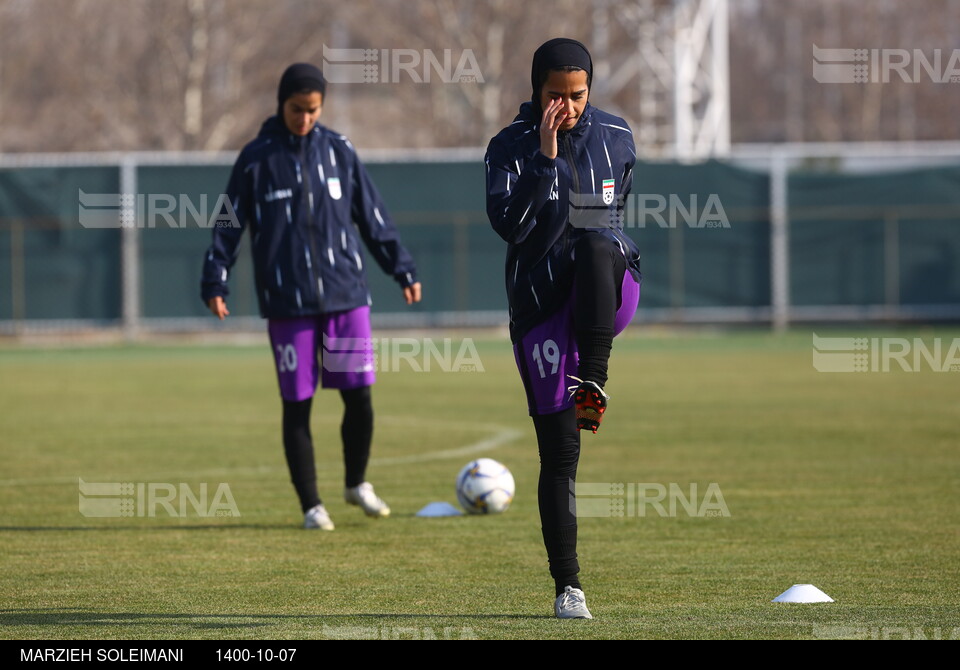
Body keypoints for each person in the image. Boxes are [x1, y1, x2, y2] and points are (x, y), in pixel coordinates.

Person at [201, 63, 422, 531]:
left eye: (313, 110)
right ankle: (311, 505)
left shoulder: (339, 150)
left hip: (346, 295)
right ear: (282, 104)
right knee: (297, 405)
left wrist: (401, 267)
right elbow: (227, 223)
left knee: (359, 397)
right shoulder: (256, 158)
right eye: (297, 109)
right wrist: (215, 279)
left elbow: (372, 217)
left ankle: (356, 482)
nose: (305, 118)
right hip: (288, 304)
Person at [484, 38, 641, 619]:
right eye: (557, 95)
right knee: (560, 454)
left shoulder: (618, 136)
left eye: (578, 95)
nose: (568, 106)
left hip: (604, 294)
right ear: (536, 90)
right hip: (540, 308)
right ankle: (568, 587)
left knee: (603, 243)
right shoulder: (508, 148)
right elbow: (512, 227)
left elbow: (619, 209)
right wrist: (546, 158)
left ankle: (594, 377)